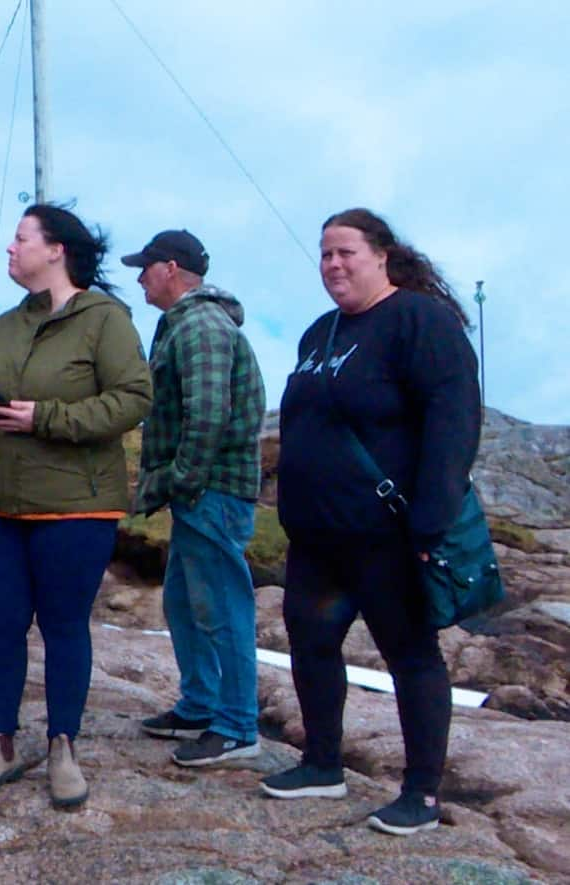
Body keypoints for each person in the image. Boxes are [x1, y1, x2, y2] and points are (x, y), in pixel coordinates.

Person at [262, 208, 481, 836]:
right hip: (318, 537)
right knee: (311, 645)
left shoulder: (419, 321)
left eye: (346, 252)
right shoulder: (319, 333)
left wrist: (431, 525)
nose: (333, 264)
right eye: (325, 254)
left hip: (390, 534)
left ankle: (422, 795)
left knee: (410, 657)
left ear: (382, 255)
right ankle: (322, 764)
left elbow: (453, 422)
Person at [0, 203, 153, 810]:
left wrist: (48, 418)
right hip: (2, 508)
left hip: (76, 509)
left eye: (20, 239)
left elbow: (134, 398)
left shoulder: (105, 320)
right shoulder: (1, 328)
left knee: (64, 628)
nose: (10, 250)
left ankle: (63, 747)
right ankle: (1, 747)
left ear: (55, 250)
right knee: (1, 628)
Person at [123, 230, 267, 767]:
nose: (139, 278)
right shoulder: (187, 324)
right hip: (200, 492)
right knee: (184, 602)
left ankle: (236, 725)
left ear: (171, 268)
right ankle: (201, 704)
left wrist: (183, 479)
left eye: (145, 268)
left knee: (223, 607)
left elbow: (209, 412)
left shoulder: (202, 325)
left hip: (213, 491)